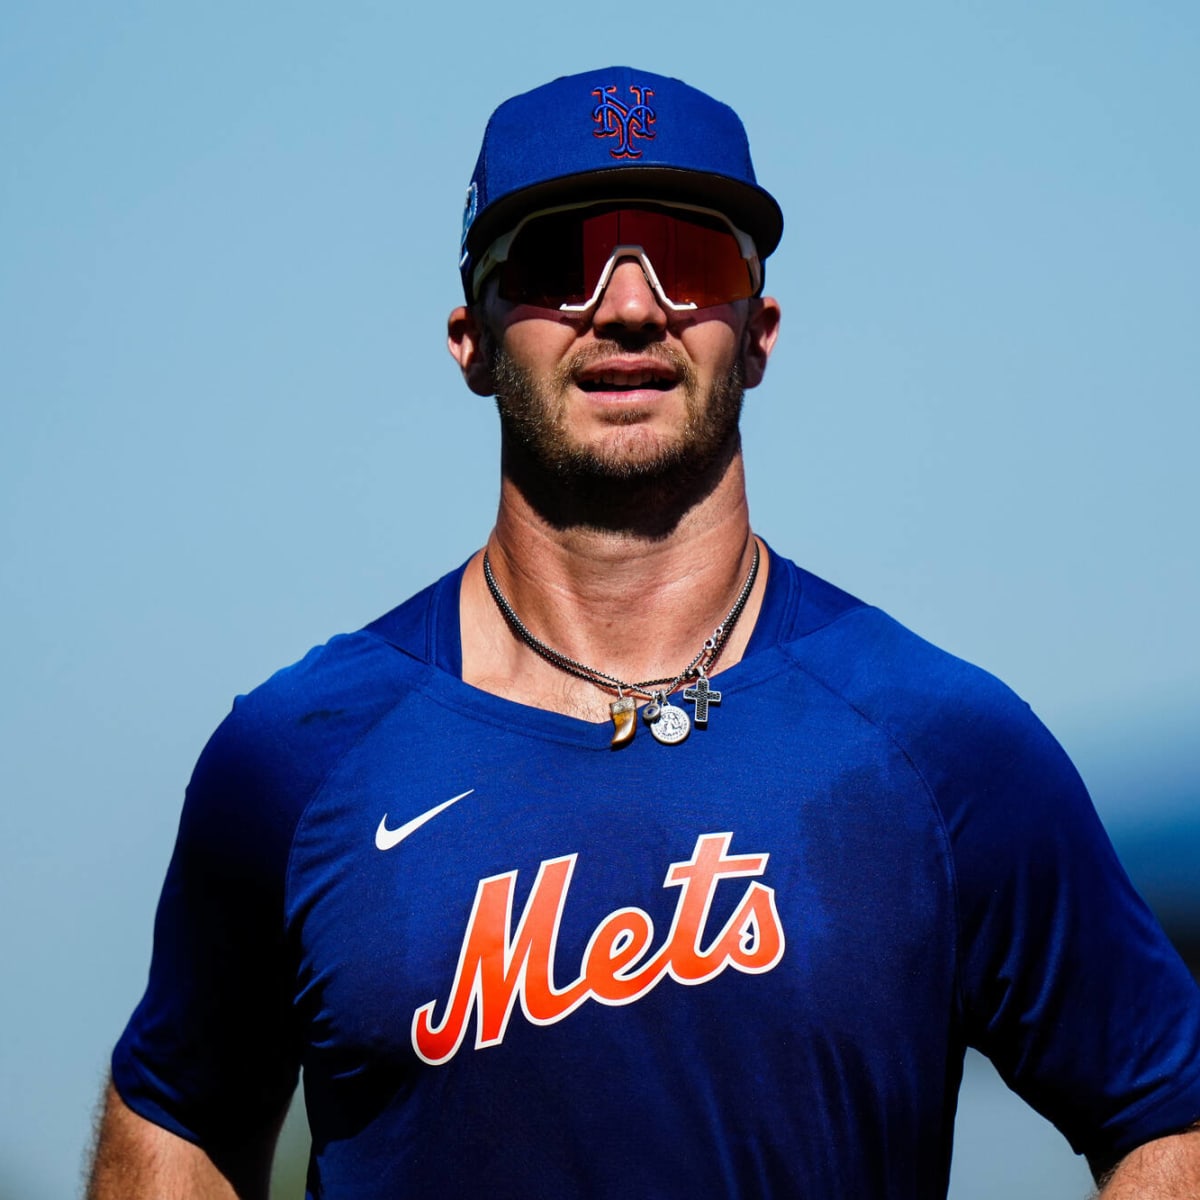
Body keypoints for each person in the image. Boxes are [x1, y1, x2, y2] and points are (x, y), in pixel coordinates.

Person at [89, 66, 1200, 1199]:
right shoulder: (298, 758)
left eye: (693, 258)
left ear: (758, 332)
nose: (629, 306)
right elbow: (177, 1120)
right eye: (558, 261)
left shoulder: (942, 748)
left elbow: (1168, 1114)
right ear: (470, 338)